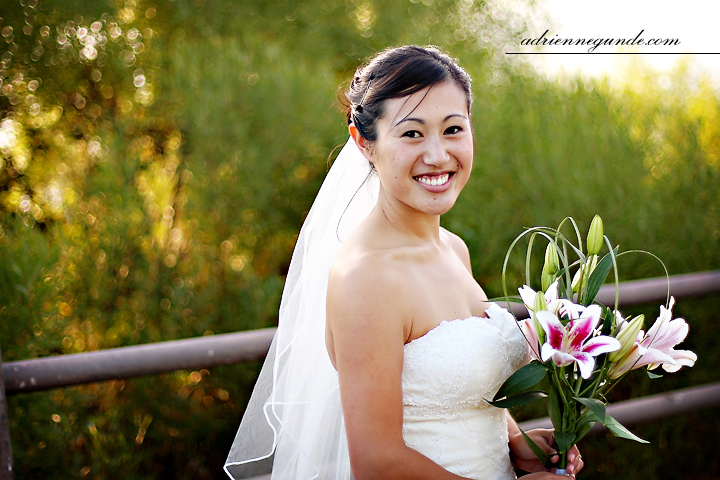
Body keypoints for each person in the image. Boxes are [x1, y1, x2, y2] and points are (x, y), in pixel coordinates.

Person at [224, 45, 584, 480]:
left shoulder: (453, 249)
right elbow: (377, 463)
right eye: (412, 134)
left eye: (453, 129)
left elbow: (452, 393)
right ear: (364, 143)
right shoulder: (366, 278)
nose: (437, 155)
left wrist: (515, 442)